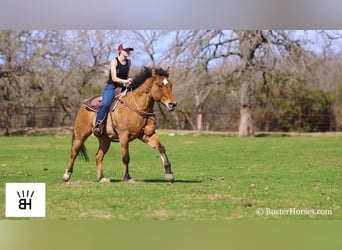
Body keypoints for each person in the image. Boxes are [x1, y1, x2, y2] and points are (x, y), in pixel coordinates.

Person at [92, 43, 134, 137]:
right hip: (112, 86)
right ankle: (98, 124)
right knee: (106, 103)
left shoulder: (129, 62)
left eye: (129, 50)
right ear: (120, 51)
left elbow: (126, 76)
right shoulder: (114, 61)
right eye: (125, 50)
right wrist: (125, 81)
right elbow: (114, 78)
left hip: (122, 86)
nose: (127, 52)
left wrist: (128, 82)